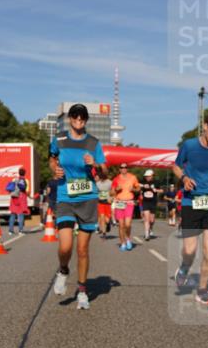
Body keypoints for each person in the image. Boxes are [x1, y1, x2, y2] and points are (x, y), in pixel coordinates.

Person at [49, 104, 107, 310]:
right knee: (65, 246)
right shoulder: (60, 139)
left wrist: (96, 164)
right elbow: (52, 158)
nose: (79, 119)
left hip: (87, 198)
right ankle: (63, 270)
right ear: (70, 118)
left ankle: (82, 291)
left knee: (82, 249)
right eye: (75, 116)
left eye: (82, 117)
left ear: (86, 120)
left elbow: (104, 173)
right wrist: (54, 170)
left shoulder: (93, 143)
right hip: (65, 197)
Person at [172, 112, 208, 306]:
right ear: (205, 126)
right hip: (191, 202)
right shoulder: (189, 145)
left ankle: (203, 289)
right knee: (190, 250)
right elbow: (176, 166)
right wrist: (184, 178)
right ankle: (183, 269)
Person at [111, 164, 140, 250]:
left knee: (128, 224)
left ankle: (127, 238)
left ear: (127, 169)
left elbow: (138, 189)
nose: (124, 169)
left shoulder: (133, 177)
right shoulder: (116, 179)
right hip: (119, 202)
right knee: (121, 225)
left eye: (125, 167)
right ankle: (123, 243)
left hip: (129, 202)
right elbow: (111, 193)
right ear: (119, 169)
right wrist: (116, 189)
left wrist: (133, 189)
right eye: (122, 167)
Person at [140, 169, 162, 241]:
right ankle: (146, 234)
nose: (147, 177)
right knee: (146, 218)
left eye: (149, 176)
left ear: (152, 176)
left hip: (153, 202)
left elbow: (162, 190)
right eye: (146, 176)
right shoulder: (143, 182)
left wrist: (156, 190)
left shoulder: (156, 182)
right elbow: (137, 185)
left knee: (152, 220)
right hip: (145, 202)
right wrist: (143, 186)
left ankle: (150, 228)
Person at [7, 167, 29, 235]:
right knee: (20, 214)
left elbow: (10, 188)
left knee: (13, 214)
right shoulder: (26, 180)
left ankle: (10, 231)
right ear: (24, 173)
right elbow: (27, 191)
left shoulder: (14, 179)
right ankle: (20, 230)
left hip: (14, 198)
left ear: (19, 173)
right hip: (21, 198)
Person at [95, 172, 113, 239]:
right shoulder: (97, 183)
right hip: (100, 202)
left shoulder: (110, 182)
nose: (101, 179)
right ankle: (104, 232)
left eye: (102, 177)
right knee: (102, 217)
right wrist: (97, 197)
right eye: (100, 177)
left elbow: (113, 191)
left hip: (107, 202)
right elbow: (96, 192)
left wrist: (111, 198)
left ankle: (108, 224)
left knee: (107, 219)